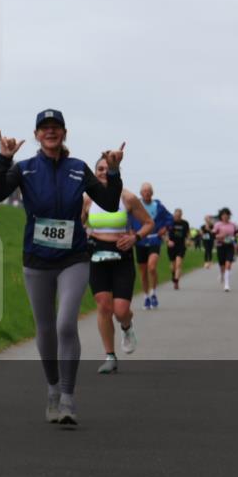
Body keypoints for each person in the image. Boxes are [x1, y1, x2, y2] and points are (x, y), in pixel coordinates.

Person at [0, 109, 125, 425]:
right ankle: (51, 389)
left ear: (64, 133)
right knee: (46, 329)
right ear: (36, 135)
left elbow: (109, 202)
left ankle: (67, 397)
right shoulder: (25, 169)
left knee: (66, 324)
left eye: (56, 128)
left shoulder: (78, 169)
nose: (50, 132)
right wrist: (5, 160)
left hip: (73, 258)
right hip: (36, 259)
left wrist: (114, 172)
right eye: (44, 128)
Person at [82, 157, 154, 375]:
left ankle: (126, 326)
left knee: (121, 311)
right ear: (94, 173)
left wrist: (136, 238)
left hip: (121, 255)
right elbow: (77, 223)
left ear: (117, 171)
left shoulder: (128, 198)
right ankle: (110, 356)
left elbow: (149, 223)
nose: (104, 172)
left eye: (109, 168)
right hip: (97, 256)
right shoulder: (87, 199)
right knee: (104, 306)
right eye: (100, 169)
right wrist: (83, 233)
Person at [129, 183, 174, 308]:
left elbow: (170, 218)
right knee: (143, 272)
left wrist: (165, 228)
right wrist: (130, 230)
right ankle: (146, 296)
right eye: (144, 191)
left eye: (149, 191)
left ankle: (154, 292)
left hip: (155, 240)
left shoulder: (158, 205)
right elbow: (127, 218)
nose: (147, 193)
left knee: (152, 267)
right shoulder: (136, 205)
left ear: (152, 193)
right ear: (141, 193)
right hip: (140, 241)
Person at [213, 207, 238, 292]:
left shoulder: (233, 225)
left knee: (228, 265)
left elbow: (236, 235)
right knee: (222, 265)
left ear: (229, 216)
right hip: (220, 245)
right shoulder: (217, 225)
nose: (225, 216)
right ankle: (222, 274)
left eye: (227, 215)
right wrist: (220, 236)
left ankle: (227, 284)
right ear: (221, 216)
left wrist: (234, 239)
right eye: (223, 215)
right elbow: (213, 235)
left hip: (229, 246)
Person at [166, 209, 190, 290]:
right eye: (176, 216)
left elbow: (187, 234)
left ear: (181, 215)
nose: (177, 217)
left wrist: (188, 240)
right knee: (173, 265)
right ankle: (173, 275)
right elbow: (165, 234)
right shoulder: (170, 223)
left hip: (181, 245)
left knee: (179, 264)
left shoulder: (185, 223)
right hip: (171, 246)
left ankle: (176, 281)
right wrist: (168, 241)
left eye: (179, 216)